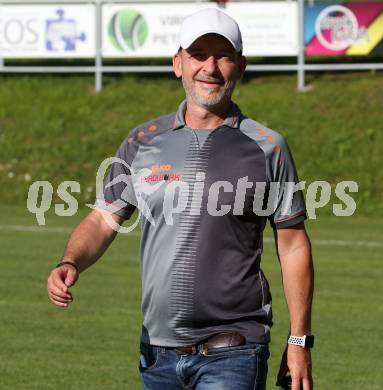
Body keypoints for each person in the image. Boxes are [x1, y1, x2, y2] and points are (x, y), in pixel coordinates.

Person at [47, 8, 314, 390]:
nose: (210, 67)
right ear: (178, 64)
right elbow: (103, 219)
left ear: (240, 66)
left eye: (223, 55)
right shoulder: (142, 141)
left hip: (235, 352)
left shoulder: (267, 146)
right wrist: (70, 260)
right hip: (156, 355)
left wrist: (299, 341)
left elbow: (293, 246)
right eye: (198, 54)